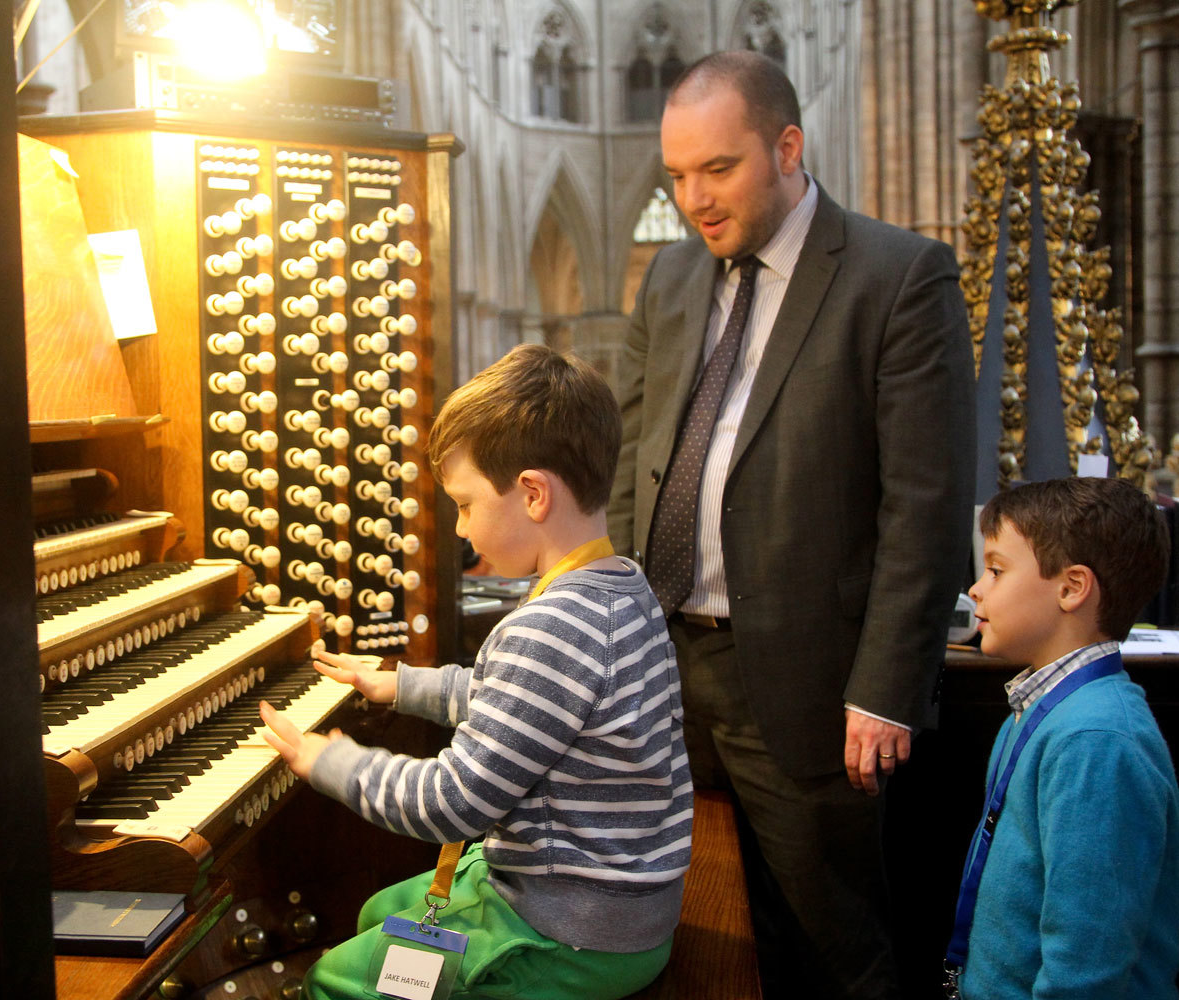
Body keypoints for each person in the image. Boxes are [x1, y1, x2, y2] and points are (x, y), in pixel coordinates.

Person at [607, 51, 975, 998]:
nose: (694, 198)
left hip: (812, 686)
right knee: (696, 937)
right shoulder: (673, 280)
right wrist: (616, 622)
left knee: (831, 949)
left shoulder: (899, 276)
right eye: (676, 175)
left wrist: (888, 687)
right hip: (666, 664)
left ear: (786, 146)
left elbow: (925, 504)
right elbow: (630, 461)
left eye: (717, 169)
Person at [261, 343, 693, 1000]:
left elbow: (453, 804)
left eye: (464, 504)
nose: (462, 531)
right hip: (619, 905)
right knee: (380, 913)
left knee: (330, 980)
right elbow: (526, 708)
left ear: (532, 493)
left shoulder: (552, 625)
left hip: (561, 932)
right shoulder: (620, 590)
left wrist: (336, 763)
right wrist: (401, 685)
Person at [951, 476, 1178, 999]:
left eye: (996, 569)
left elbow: (1087, 962)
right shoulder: (1044, 708)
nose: (975, 588)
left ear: (1072, 588)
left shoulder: (1097, 740)